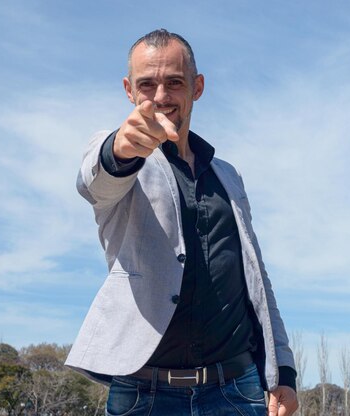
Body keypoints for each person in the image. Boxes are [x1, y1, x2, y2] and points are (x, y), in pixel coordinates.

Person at [66, 29, 298, 416]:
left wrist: (284, 372)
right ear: (128, 90)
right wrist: (121, 149)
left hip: (237, 390)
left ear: (197, 87)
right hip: (143, 392)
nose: (160, 96)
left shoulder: (228, 176)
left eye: (174, 82)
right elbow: (95, 183)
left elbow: (257, 279)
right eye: (147, 84)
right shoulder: (119, 153)